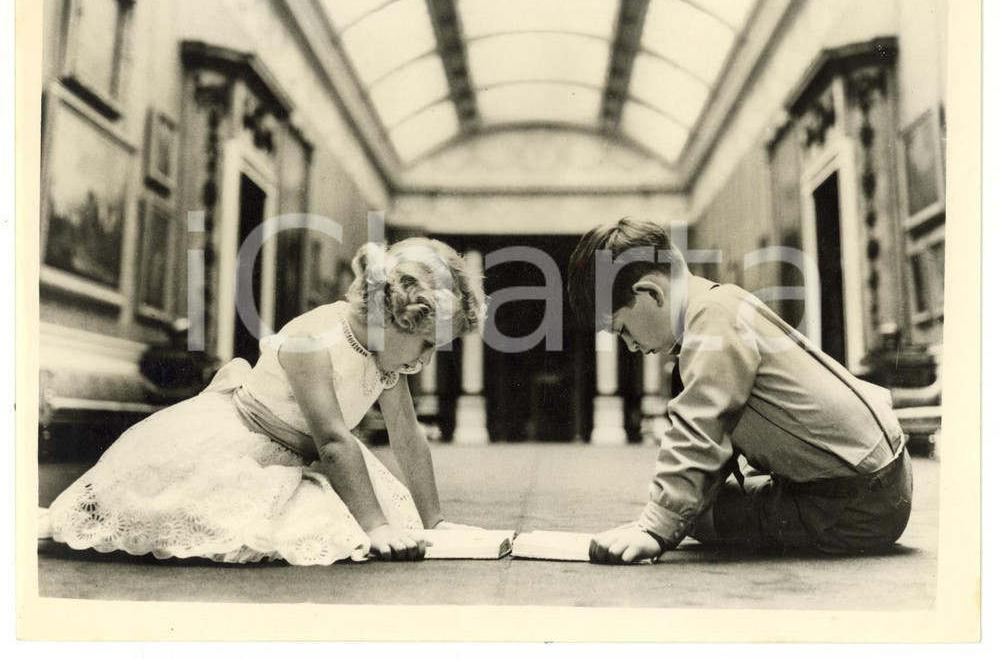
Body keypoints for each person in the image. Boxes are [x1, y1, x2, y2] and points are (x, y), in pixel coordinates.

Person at [43, 238, 485, 564]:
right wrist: (378, 527)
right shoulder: (311, 339)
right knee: (237, 524)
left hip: (306, 455)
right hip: (243, 445)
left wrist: (435, 522)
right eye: (427, 345)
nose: (426, 360)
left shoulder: (387, 354)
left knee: (333, 523)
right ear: (393, 317)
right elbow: (333, 441)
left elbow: (408, 438)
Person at [567, 218, 913, 564]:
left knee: (700, 517)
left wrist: (655, 528)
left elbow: (701, 427)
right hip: (878, 476)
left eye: (622, 329)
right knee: (694, 505)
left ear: (651, 293)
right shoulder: (719, 303)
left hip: (859, 505)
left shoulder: (710, 319)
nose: (629, 346)